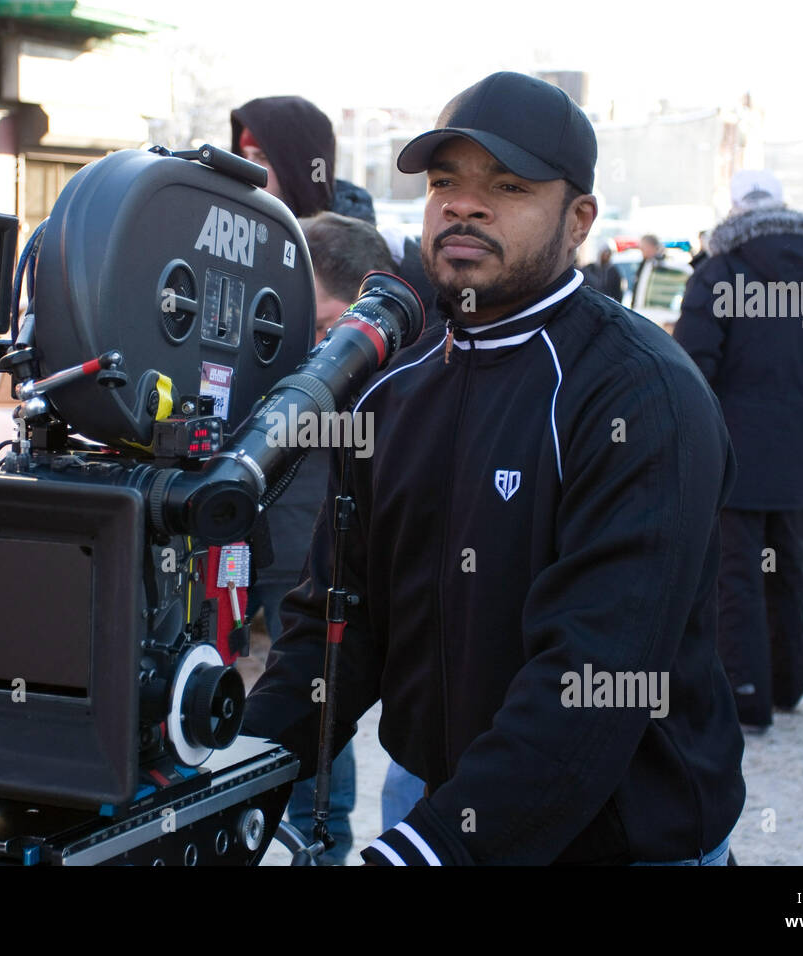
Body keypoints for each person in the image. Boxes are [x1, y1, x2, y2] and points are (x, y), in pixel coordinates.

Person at [243, 73, 745, 865]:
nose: (464, 206)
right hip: (440, 798)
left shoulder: (642, 395)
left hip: (624, 835)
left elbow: (590, 688)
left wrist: (422, 853)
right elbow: (337, 627)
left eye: (506, 186)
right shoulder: (392, 393)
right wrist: (235, 776)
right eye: (446, 182)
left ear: (578, 219)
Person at [673, 170, 803, 731]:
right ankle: (788, 681)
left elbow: (692, 369)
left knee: (734, 576)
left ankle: (744, 694)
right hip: (797, 454)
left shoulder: (720, 270)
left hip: (732, 455)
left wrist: (685, 442)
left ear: (735, 208)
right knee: (786, 569)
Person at [245, 211, 393, 864]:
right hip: (264, 534)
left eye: (331, 327)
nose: (318, 347)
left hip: (313, 540)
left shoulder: (397, 364)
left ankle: (322, 846)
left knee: (325, 702)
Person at [231, 96, 374, 224]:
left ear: (297, 168)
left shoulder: (350, 244)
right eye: (243, 156)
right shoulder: (233, 224)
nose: (246, 168)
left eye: (262, 157)